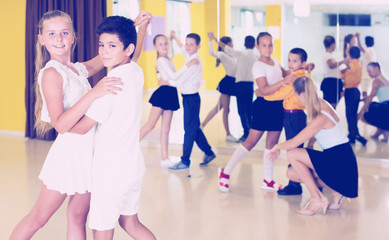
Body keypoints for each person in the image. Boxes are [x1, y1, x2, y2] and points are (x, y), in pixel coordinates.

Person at [9, 10, 124, 240]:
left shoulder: (77, 69)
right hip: (69, 154)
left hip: (89, 152)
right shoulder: (51, 73)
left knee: (78, 216)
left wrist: (135, 28)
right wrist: (94, 93)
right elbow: (60, 124)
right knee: (38, 218)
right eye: (51, 34)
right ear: (41, 39)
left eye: (64, 33)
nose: (59, 39)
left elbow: (111, 56)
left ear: (73, 37)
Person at [69, 15, 156, 239]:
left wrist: (88, 95)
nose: (104, 52)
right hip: (132, 166)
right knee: (131, 223)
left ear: (126, 48)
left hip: (110, 172)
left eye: (111, 46)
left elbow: (80, 127)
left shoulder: (108, 88)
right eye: (101, 45)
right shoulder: (134, 72)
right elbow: (134, 54)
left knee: (102, 230)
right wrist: (140, 27)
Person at [268, 76, 359, 216]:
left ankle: (317, 199)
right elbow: (314, 136)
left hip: (341, 162)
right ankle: (336, 192)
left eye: (295, 95)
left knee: (292, 153)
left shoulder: (320, 115)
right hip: (336, 158)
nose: (296, 98)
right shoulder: (319, 104)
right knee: (292, 173)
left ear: (302, 95)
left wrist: (276, 147)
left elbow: (294, 143)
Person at [218, 32, 295, 192]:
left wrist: (299, 70)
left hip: (277, 106)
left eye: (270, 45)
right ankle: (225, 173)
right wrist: (283, 82)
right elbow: (264, 89)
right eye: (264, 45)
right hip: (263, 107)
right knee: (250, 143)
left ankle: (268, 180)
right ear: (257, 47)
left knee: (271, 145)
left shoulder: (275, 61)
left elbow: (284, 74)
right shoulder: (257, 65)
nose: (268, 48)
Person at [140, 32, 199, 168]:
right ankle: (128, 149)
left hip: (171, 94)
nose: (164, 46)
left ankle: (164, 159)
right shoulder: (161, 60)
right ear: (155, 47)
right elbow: (173, 76)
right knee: (150, 125)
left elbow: (172, 78)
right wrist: (188, 65)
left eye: (166, 43)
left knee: (166, 128)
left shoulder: (168, 58)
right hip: (163, 94)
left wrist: (172, 39)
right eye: (160, 44)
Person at [263, 48, 313, 195]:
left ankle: (295, 185)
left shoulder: (296, 78)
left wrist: (264, 94)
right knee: (295, 150)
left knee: (294, 151)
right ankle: (299, 182)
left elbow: (280, 94)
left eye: (295, 61)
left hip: (293, 116)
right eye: (289, 60)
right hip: (294, 116)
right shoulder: (300, 74)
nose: (291, 63)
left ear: (303, 63)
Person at [163, 32, 216, 170]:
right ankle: (209, 152)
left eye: (191, 45)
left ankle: (185, 161)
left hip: (191, 99)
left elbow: (177, 80)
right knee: (194, 128)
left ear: (198, 46)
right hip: (188, 98)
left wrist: (165, 81)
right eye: (187, 44)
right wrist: (175, 38)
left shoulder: (194, 62)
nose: (187, 47)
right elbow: (182, 48)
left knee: (189, 130)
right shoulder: (190, 56)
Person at [209, 32, 257, 142]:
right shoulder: (255, 57)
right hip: (250, 85)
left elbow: (225, 48)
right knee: (249, 109)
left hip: (239, 85)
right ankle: (250, 132)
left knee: (241, 110)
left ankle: (246, 133)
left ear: (244, 44)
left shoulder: (240, 54)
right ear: (255, 45)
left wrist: (214, 39)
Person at [201, 34, 239, 143]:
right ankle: (228, 134)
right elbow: (211, 53)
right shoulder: (223, 55)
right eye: (231, 42)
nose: (233, 44)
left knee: (218, 107)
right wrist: (211, 40)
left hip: (234, 83)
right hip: (227, 83)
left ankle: (201, 126)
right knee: (226, 109)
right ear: (228, 44)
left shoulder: (234, 54)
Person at [342, 46, 367, 145]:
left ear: (349, 54)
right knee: (351, 114)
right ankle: (352, 135)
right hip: (353, 91)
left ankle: (355, 134)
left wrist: (346, 63)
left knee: (350, 114)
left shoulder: (354, 63)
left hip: (351, 91)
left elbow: (350, 69)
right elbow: (345, 74)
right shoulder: (358, 63)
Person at [358, 62, 389, 142]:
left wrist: (363, 110)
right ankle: (381, 132)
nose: (369, 74)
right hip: (386, 107)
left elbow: (371, 96)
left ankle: (384, 130)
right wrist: (361, 99)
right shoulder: (385, 79)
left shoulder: (376, 80)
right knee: (378, 110)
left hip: (386, 107)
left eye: (369, 71)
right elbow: (375, 94)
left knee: (364, 115)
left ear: (376, 68)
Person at [320, 35, 349, 109]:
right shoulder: (328, 55)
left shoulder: (329, 55)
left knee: (332, 106)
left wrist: (346, 69)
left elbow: (334, 70)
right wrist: (343, 61)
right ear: (333, 44)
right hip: (331, 82)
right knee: (331, 106)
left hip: (333, 82)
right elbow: (331, 65)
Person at [356, 33, 377, 99]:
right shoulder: (372, 51)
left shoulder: (369, 50)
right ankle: (366, 106)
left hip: (366, 75)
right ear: (374, 43)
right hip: (369, 75)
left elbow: (360, 47)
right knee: (366, 92)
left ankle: (366, 107)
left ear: (365, 43)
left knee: (364, 92)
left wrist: (358, 37)